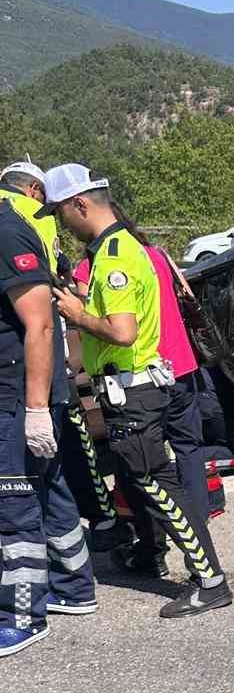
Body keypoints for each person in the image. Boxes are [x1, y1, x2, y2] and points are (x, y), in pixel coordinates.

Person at [40, 166, 232, 620]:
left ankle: (210, 580)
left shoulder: (115, 259)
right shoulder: (128, 248)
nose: (62, 222)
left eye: (62, 212)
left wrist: (75, 313)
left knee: (158, 487)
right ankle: (170, 561)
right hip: (149, 385)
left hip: (136, 391)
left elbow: (122, 333)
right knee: (155, 483)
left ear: (81, 204)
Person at [73, 205, 212, 579]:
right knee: (185, 454)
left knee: (146, 475)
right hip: (180, 365)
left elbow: (117, 329)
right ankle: (197, 537)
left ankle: (177, 554)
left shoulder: (102, 261)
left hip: (139, 374)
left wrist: (75, 311)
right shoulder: (154, 254)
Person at [0, 199, 97, 656]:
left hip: (18, 395)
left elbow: (39, 325)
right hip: (28, 392)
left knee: (13, 506)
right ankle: (75, 587)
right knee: (50, 487)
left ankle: (22, 615)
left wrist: (37, 408)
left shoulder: (5, 231)